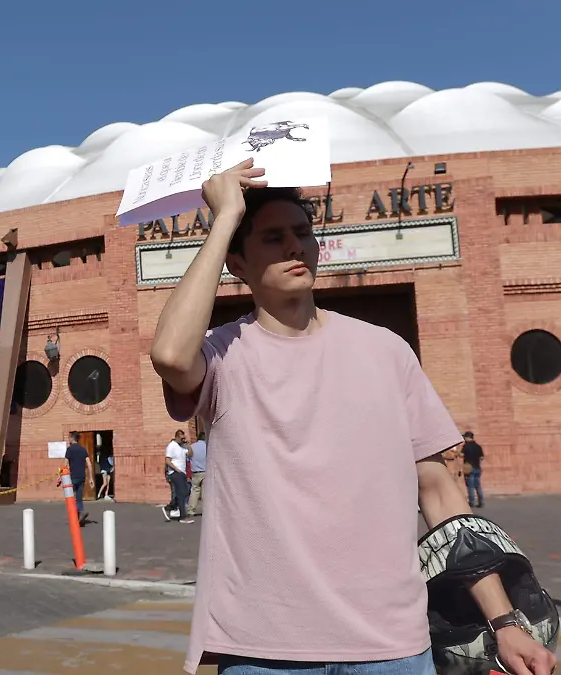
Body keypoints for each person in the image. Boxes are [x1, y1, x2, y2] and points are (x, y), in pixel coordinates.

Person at [149, 159, 555, 675]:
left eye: (302, 232)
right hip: (266, 648)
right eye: (273, 238)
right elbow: (169, 355)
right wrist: (225, 215)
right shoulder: (224, 355)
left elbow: (437, 489)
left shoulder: (386, 350)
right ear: (238, 264)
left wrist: (504, 621)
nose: (295, 246)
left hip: (394, 645)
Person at [163, 430, 193, 523]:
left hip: (182, 473)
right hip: (175, 473)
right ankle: (182, 517)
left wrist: (188, 446)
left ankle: (170, 507)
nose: (183, 439)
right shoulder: (172, 446)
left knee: (185, 492)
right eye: (181, 438)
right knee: (181, 494)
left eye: (184, 438)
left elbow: (190, 455)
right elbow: (167, 460)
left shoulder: (182, 446)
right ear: (177, 437)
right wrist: (176, 470)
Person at [64, 431, 94, 525]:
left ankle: (75, 516)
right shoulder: (83, 449)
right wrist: (91, 478)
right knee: (79, 497)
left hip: (72, 477)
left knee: (71, 497)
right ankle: (80, 511)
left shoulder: (70, 449)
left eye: (69, 437)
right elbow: (89, 464)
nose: (68, 439)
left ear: (72, 438)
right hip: (82, 477)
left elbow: (65, 465)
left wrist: (60, 477)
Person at [461, 430, 485, 508]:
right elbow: (481, 457)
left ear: (468, 437)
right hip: (477, 467)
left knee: (470, 486)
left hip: (469, 468)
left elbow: (461, 454)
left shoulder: (466, 446)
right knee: (478, 486)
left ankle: (472, 502)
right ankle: (481, 501)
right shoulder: (478, 446)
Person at [187, 431, 207, 516]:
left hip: (195, 472)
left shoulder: (192, 447)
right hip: (206, 471)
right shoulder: (208, 446)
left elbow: (188, 459)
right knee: (205, 492)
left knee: (194, 491)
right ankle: (206, 510)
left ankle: (191, 510)